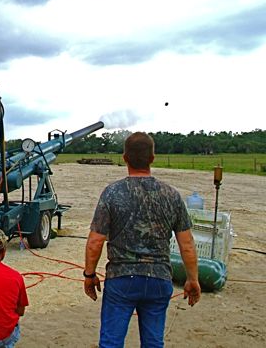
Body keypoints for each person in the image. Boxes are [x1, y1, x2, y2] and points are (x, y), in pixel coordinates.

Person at [83, 132, 201, 348]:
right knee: (154, 342)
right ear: (152, 158)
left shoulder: (111, 193)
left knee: (111, 342)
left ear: (125, 157)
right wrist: (193, 279)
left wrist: (89, 274)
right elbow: (187, 244)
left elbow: (95, 242)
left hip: (121, 279)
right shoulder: (171, 195)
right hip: (159, 278)